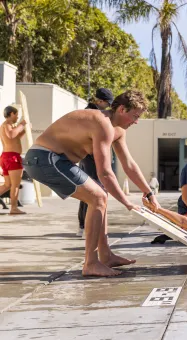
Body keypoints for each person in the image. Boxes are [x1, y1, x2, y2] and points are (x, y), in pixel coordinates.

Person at [24, 90, 160, 277]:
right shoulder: (102, 123)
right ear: (121, 109)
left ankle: (106, 255)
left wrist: (149, 192)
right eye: (134, 116)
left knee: (100, 196)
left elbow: (128, 164)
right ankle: (90, 263)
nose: (136, 122)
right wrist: (126, 202)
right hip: (43, 158)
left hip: (57, 160)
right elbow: (104, 172)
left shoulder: (118, 130)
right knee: (98, 196)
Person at [77, 88, 115, 236]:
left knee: (90, 191)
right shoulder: (91, 114)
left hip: (90, 156)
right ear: (99, 101)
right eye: (107, 103)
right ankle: (86, 226)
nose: (108, 107)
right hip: (90, 156)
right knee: (93, 191)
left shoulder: (93, 113)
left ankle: (84, 225)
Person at [0, 105, 27, 214]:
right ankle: (14, 208)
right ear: (11, 114)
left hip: (6, 157)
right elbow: (11, 135)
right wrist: (22, 124)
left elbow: (14, 137)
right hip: (12, 157)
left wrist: (24, 130)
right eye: (16, 115)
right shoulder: (7, 125)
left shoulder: (7, 126)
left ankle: (14, 208)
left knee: (8, 185)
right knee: (15, 184)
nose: (17, 117)